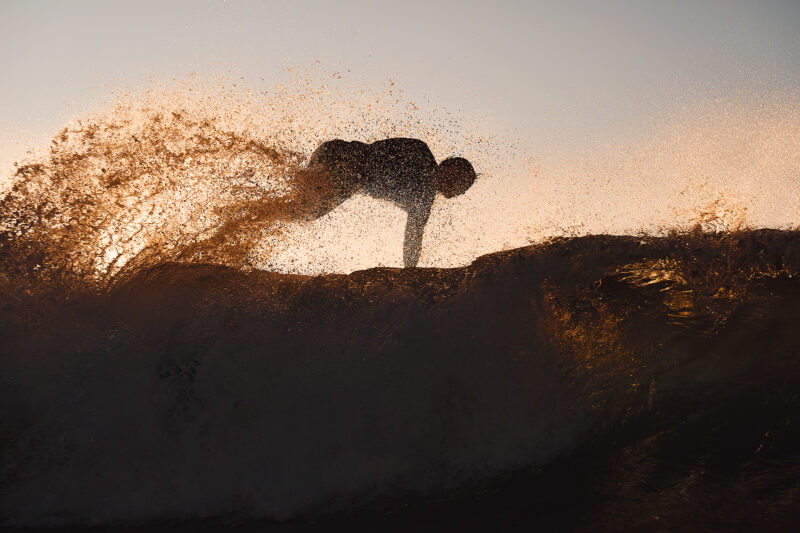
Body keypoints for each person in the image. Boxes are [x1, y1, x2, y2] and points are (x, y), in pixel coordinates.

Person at [288, 138, 477, 267]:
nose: (459, 193)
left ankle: (260, 213)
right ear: (452, 171)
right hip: (340, 157)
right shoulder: (420, 151)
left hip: (347, 179)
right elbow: (373, 149)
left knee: (304, 213)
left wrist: (410, 272)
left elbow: (413, 238)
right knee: (307, 211)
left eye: (464, 190)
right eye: (463, 186)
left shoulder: (423, 200)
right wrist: (351, 171)